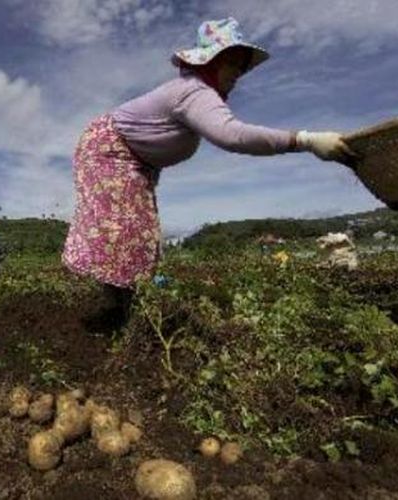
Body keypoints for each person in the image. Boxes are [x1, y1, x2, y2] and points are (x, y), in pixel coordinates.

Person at [62, 17, 356, 321]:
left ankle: (122, 309)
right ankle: (123, 313)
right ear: (212, 61)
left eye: (243, 67)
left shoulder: (196, 92)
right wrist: (305, 140)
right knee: (126, 230)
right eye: (234, 64)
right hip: (109, 151)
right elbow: (234, 135)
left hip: (125, 155)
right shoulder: (195, 91)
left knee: (135, 231)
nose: (239, 74)